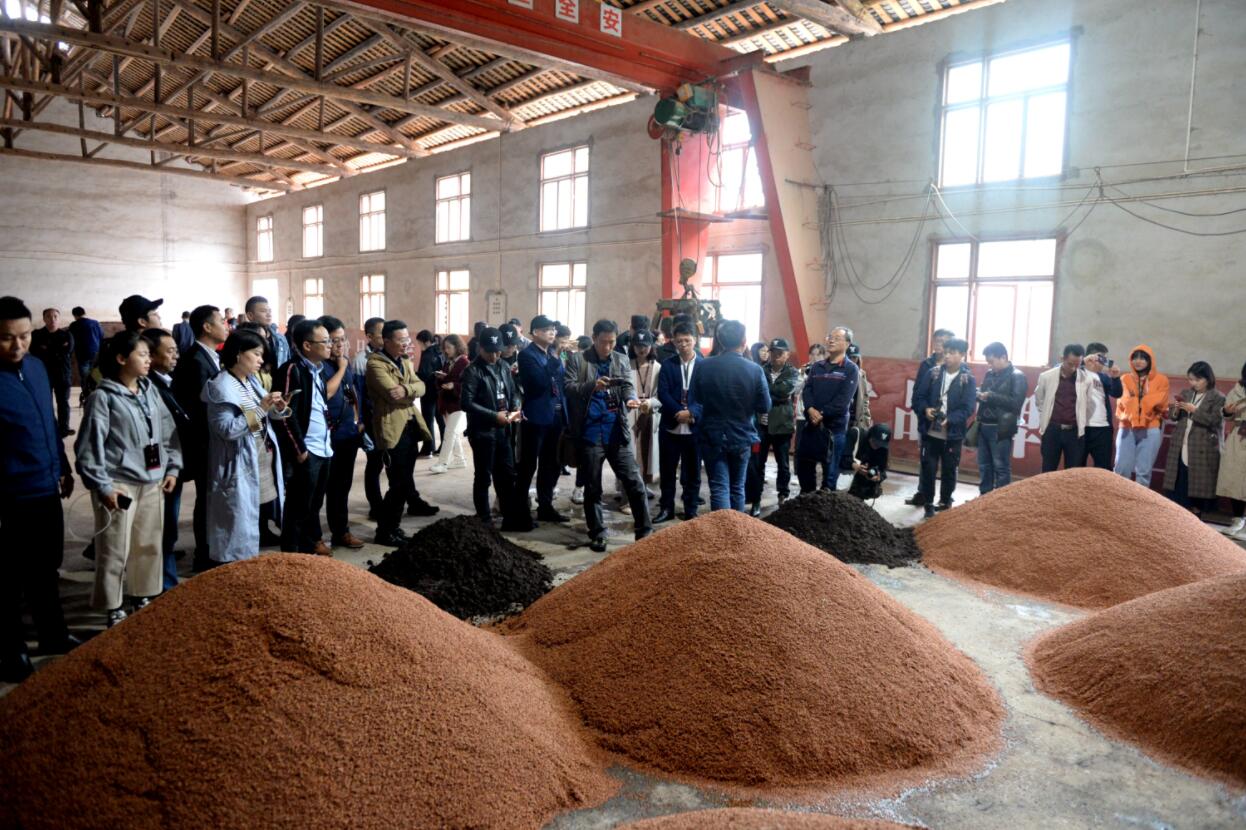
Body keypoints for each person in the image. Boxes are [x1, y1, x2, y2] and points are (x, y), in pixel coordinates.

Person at [75, 331, 181, 627]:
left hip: (153, 481)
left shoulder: (150, 391)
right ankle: (113, 605)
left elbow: (168, 431)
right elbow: (89, 447)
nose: (149, 360)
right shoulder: (103, 398)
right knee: (114, 547)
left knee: (148, 544)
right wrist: (103, 486)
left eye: (149, 355)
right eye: (142, 355)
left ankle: (141, 595)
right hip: (118, 484)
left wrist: (172, 468)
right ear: (122, 359)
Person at [0, 296, 78, 682]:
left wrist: (62, 465)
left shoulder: (36, 367)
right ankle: (10, 650)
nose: (18, 345)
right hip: (10, 497)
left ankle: (52, 634)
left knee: (46, 568)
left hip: (45, 488)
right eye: (6, 338)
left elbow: (48, 421)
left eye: (24, 336)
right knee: (9, 578)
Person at [564, 319, 653, 551]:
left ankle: (645, 532)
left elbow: (626, 385)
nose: (607, 347)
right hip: (590, 433)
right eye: (603, 342)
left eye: (612, 342)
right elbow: (568, 388)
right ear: (594, 338)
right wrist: (592, 386)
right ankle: (597, 533)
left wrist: (631, 399)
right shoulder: (578, 359)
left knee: (635, 483)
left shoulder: (620, 359)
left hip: (616, 431)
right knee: (593, 487)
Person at [203, 330, 290, 565]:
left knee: (250, 515)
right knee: (236, 521)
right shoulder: (221, 386)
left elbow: (264, 416)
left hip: (257, 456)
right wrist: (261, 409)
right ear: (239, 354)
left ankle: (247, 562)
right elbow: (227, 429)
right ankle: (231, 567)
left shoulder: (250, 381)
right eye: (256, 354)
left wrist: (278, 408)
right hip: (237, 461)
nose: (261, 360)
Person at [688, 320, 771, 512]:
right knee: (737, 487)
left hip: (712, 435)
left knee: (719, 487)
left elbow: (696, 397)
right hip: (742, 434)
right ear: (744, 341)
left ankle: (722, 530)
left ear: (720, 340)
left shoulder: (704, 366)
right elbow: (765, 406)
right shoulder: (754, 369)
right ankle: (736, 530)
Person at [367, 320, 437, 547]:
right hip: (391, 428)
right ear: (386, 341)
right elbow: (391, 394)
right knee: (397, 483)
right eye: (401, 340)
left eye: (407, 339)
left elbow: (422, 386)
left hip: (410, 427)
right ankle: (385, 531)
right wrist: (410, 391)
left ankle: (393, 527)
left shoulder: (404, 361)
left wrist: (406, 389)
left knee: (404, 481)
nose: (406, 343)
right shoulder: (375, 364)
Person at [272, 319, 335, 557]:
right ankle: (291, 555)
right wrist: (299, 449)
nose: (330, 346)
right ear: (307, 345)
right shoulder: (291, 370)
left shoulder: (319, 370)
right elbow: (285, 414)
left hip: (323, 447)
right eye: (325, 341)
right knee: (298, 506)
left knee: (314, 504)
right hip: (307, 450)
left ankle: (308, 551)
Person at [172, 304, 227, 572]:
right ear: (207, 327)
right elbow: (198, 408)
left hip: (213, 441)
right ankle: (204, 556)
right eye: (221, 321)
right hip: (204, 443)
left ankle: (212, 549)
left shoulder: (211, 357)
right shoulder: (195, 360)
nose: (226, 326)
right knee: (206, 499)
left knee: (213, 498)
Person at [142, 328, 190, 590]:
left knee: (167, 529)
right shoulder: (147, 388)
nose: (176, 356)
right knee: (157, 530)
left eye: (176, 350)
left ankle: (166, 583)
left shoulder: (167, 382)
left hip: (171, 467)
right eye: (169, 351)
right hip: (154, 470)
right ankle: (159, 587)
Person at [512, 315, 569, 530]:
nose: (552, 332)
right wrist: (555, 361)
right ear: (535, 332)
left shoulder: (552, 353)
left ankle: (545, 506)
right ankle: (520, 512)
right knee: (528, 465)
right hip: (536, 417)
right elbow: (537, 384)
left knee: (551, 463)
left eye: (553, 329)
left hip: (556, 415)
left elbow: (560, 384)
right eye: (546, 329)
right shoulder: (527, 355)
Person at [461, 327, 523, 524]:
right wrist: (493, 416)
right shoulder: (472, 371)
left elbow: (513, 391)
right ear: (480, 348)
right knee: (483, 476)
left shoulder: (503, 366)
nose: (495, 356)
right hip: (483, 432)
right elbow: (466, 403)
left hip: (504, 429)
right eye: (490, 352)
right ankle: (484, 520)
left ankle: (509, 516)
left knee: (506, 474)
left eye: (498, 351)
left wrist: (515, 407)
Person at [912, 338, 976, 519]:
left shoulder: (967, 379)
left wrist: (951, 419)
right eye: (946, 352)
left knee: (949, 469)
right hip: (930, 432)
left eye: (952, 353)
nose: (947, 356)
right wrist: (926, 409)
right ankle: (928, 503)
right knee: (928, 469)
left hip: (952, 434)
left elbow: (968, 408)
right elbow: (919, 397)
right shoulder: (933, 373)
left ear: (962, 355)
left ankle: (945, 501)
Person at [319, 316, 367, 550]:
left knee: (342, 487)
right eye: (333, 340)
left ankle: (341, 531)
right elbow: (326, 393)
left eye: (342, 339)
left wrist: (359, 420)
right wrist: (341, 368)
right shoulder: (320, 367)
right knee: (321, 489)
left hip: (348, 434)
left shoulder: (343, 363)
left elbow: (351, 393)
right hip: (327, 438)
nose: (339, 345)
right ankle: (314, 538)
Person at [796, 327, 858, 495]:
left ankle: (825, 501)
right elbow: (807, 390)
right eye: (830, 337)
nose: (831, 340)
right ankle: (806, 499)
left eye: (837, 338)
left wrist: (820, 414)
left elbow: (842, 401)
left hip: (834, 430)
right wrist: (810, 409)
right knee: (804, 466)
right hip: (812, 426)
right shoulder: (817, 367)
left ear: (847, 343)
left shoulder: (851, 369)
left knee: (830, 474)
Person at [655, 322, 704, 523]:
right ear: (673, 341)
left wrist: (692, 412)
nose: (683, 344)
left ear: (695, 340)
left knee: (693, 472)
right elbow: (663, 392)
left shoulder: (704, 365)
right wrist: (678, 411)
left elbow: (707, 395)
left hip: (694, 427)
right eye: (679, 341)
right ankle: (666, 508)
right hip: (670, 425)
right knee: (667, 471)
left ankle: (691, 509)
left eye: (687, 340)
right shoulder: (668, 364)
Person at [1162, 362, 1225, 516]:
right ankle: (1178, 513)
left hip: (1202, 445)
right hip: (1181, 441)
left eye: (1198, 379)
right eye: (1191, 379)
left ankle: (1196, 514)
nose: (1194, 383)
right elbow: (1173, 417)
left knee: (1197, 483)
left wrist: (1195, 411)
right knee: (1179, 478)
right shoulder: (1186, 393)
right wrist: (1176, 409)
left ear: (1208, 379)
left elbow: (1215, 421)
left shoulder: (1218, 397)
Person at [747, 337, 799, 515]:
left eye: (780, 353)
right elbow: (756, 392)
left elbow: (785, 391)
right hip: (762, 426)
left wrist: (766, 392)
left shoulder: (792, 372)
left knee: (783, 463)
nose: (776, 356)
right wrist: (773, 394)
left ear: (787, 354)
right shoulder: (761, 370)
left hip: (782, 426)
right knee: (758, 464)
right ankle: (756, 499)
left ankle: (783, 494)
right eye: (773, 352)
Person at [906, 328, 954, 507]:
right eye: (936, 340)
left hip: (949, 424)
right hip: (927, 422)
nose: (939, 344)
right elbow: (918, 392)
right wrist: (923, 410)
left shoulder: (959, 368)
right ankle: (924, 494)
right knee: (926, 460)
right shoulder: (926, 364)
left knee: (949, 463)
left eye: (943, 341)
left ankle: (946, 497)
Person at [975, 342, 1028, 493]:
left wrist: (991, 396)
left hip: (1000, 428)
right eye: (988, 362)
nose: (990, 366)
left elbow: (1016, 403)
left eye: (991, 362)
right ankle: (984, 498)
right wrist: (978, 394)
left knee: (1001, 466)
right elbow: (984, 394)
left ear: (1003, 357)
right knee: (984, 465)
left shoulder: (1017, 376)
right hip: (983, 425)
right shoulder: (989, 374)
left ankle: (1000, 500)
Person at [1114, 345, 1169, 488]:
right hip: (1127, 428)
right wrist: (1144, 401)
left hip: (1151, 428)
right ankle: (1118, 499)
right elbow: (1123, 401)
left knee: (1144, 472)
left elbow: (1161, 402)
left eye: (1142, 358)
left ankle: (1138, 502)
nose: (1138, 361)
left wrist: (1138, 401)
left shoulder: (1161, 380)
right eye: (1135, 358)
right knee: (1121, 469)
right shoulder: (1125, 378)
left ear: (1150, 361)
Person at [1034, 344, 1093, 472]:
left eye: (1078, 364)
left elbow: (1088, 405)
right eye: (1070, 364)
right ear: (1062, 359)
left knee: (1072, 472)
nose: (1074, 368)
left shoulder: (1086, 379)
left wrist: (1081, 422)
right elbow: (1039, 399)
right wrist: (1046, 415)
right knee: (1048, 470)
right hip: (1052, 430)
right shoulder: (1046, 377)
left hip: (1074, 432)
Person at [355, 317, 387, 514]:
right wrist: (361, 422)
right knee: (375, 463)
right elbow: (358, 396)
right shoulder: (361, 361)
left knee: (393, 462)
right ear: (369, 336)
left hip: (388, 418)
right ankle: (376, 505)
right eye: (382, 334)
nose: (386, 337)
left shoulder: (388, 356)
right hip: (372, 421)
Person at [30, 307, 75, 437]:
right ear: (44, 319)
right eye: (49, 316)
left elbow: (67, 351)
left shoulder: (67, 335)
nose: (52, 319)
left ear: (59, 319)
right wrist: (57, 349)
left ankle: (64, 428)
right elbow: (34, 352)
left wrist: (47, 349)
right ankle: (49, 427)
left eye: (55, 316)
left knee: (63, 402)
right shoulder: (36, 335)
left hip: (63, 373)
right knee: (45, 402)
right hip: (43, 374)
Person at [1081, 343, 1124, 470]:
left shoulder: (1103, 377)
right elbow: (1060, 370)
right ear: (1091, 357)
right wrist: (1083, 363)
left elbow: (1117, 393)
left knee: (1103, 468)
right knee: (1076, 466)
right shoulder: (1077, 373)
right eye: (1101, 358)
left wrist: (1115, 378)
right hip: (1081, 428)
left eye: (1105, 359)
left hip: (1103, 429)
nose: (1103, 362)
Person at [431, 334, 470, 473]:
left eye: (449, 347)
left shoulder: (464, 363)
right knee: (453, 433)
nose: (446, 350)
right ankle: (459, 459)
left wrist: (454, 385)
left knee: (449, 433)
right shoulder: (449, 362)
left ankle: (442, 463)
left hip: (458, 404)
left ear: (457, 347)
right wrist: (441, 377)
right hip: (447, 402)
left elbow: (469, 385)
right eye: (445, 348)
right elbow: (448, 380)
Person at [1216, 361, 1246, 539]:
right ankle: (1237, 519)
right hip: (1238, 436)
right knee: (1235, 478)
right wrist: (1227, 412)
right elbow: (1227, 416)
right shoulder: (1237, 390)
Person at [415, 330, 443, 457]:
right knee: (440, 419)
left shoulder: (427, 354)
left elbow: (424, 374)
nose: (419, 346)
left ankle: (428, 448)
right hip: (439, 390)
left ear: (426, 342)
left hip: (428, 391)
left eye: (419, 343)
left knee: (428, 420)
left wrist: (414, 375)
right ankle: (443, 447)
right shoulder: (439, 350)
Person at [848, 423, 892, 501]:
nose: (877, 446)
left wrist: (878, 477)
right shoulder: (857, 435)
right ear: (870, 435)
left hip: (864, 478)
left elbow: (882, 469)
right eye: (875, 442)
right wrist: (856, 466)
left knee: (872, 489)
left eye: (880, 444)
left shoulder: (883, 448)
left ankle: (859, 498)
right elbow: (841, 458)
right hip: (849, 471)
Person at [243, 295, 291, 368]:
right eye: (263, 311)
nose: (269, 314)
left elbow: (287, 363)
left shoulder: (280, 339)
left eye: (269, 311)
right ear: (250, 315)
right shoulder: (242, 339)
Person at [68, 306, 102, 391]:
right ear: (84, 313)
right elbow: (101, 336)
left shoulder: (74, 325)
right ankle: (97, 393)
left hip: (82, 354)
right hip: (96, 352)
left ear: (74, 315)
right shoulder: (95, 323)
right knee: (96, 375)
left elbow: (70, 339)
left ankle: (86, 394)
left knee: (85, 376)